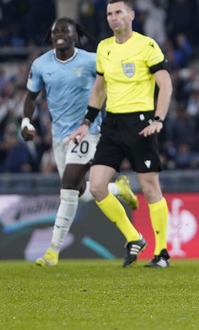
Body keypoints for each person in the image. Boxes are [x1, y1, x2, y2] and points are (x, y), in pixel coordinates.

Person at [22, 17, 139, 267]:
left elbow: (111, 84)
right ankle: (119, 188)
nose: (59, 34)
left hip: (89, 132)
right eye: (55, 31)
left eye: (65, 30)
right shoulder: (41, 64)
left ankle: (52, 251)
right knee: (80, 192)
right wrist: (25, 122)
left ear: (75, 35)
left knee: (67, 189)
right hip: (59, 137)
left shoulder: (91, 60)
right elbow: (32, 96)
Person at [67, 0, 173, 268]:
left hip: (141, 123)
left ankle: (161, 253)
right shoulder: (104, 48)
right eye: (109, 13)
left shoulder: (146, 45)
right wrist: (86, 123)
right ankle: (134, 237)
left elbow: (166, 84)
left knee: (150, 189)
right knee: (97, 186)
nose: (113, 17)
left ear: (131, 15)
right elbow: (99, 89)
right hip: (112, 124)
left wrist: (159, 118)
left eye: (118, 12)